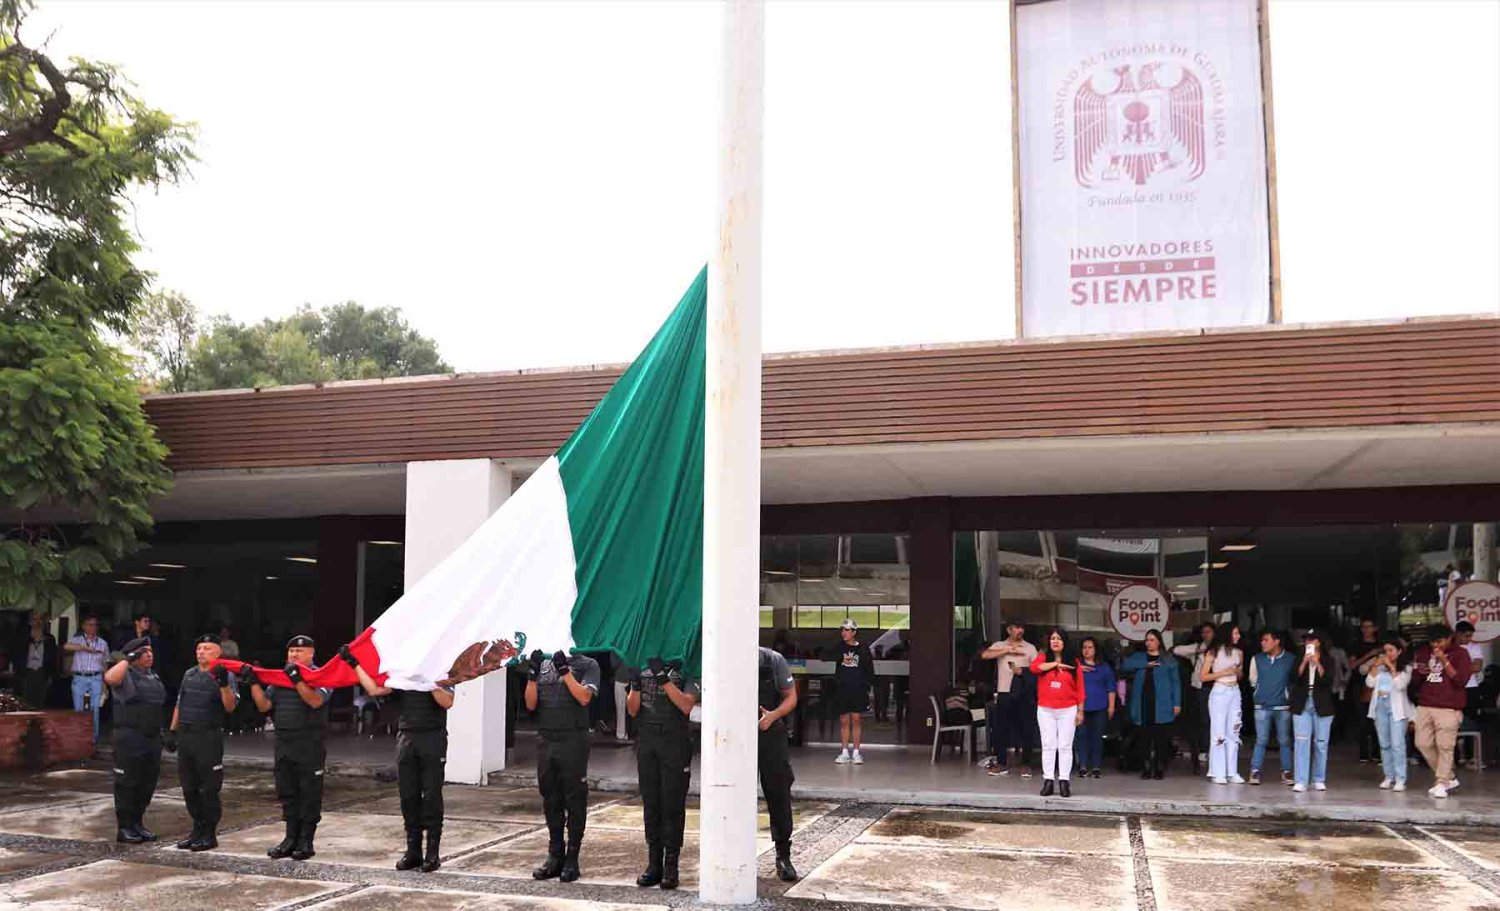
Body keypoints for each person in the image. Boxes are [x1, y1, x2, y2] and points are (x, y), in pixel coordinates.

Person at [342, 644, 454, 872]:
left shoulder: (442, 671)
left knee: (431, 795)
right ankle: (413, 851)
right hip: (406, 737)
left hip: (432, 737)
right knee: (408, 796)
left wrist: (429, 681)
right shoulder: (403, 675)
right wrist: (354, 664)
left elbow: (447, 702)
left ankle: (432, 853)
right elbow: (374, 689)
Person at [247, 634, 332, 861]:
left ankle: (306, 841)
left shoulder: (321, 675)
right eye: (291, 651)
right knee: (287, 791)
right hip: (284, 743)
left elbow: (315, 701)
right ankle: (289, 839)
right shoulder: (280, 678)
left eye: (299, 651)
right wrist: (253, 684)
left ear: (311, 654)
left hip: (309, 743)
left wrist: (297, 680)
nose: (294, 654)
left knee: (309, 792)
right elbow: (264, 705)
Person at [524, 648, 601, 883]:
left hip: (573, 739)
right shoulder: (544, 665)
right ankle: (555, 855)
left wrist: (566, 671)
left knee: (574, 798)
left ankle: (572, 858)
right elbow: (530, 704)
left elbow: (584, 697)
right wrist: (532, 675)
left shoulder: (588, 664)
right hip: (547, 738)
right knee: (550, 798)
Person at [624, 657, 698, 890]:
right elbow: (632, 710)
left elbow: (686, 705)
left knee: (673, 805)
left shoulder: (686, 667)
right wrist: (635, 685)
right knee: (651, 804)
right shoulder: (643, 667)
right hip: (647, 741)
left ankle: (671, 865)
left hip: (675, 741)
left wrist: (663, 678)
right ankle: (653, 863)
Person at [167, 634, 238, 851]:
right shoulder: (189, 674)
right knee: (189, 787)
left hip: (208, 736)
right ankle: (197, 829)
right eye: (199, 648)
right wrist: (172, 731)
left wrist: (223, 684)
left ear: (217, 652)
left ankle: (209, 833)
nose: (201, 652)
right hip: (187, 735)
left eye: (207, 648)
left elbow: (230, 706)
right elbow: (180, 703)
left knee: (208, 788)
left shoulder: (225, 674)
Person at [103, 637, 166, 843]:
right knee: (126, 783)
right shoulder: (125, 674)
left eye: (150, 651)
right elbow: (109, 678)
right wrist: (126, 660)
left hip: (151, 737)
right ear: (134, 656)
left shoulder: (153, 677)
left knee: (147, 783)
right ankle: (125, 827)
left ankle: (138, 823)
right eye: (144, 652)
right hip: (129, 737)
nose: (149, 655)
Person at [1412, 623, 1473, 798]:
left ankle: (1441, 781)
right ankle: (1449, 777)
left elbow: (1460, 680)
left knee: (1445, 745)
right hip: (1425, 703)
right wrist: (1420, 671)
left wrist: (1444, 660)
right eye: (1432, 642)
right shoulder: (1424, 652)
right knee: (1422, 743)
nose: (1435, 645)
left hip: (1449, 706)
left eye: (1439, 641)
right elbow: (1415, 679)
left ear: (1449, 638)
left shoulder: (1460, 654)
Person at [758, 645, 799, 883]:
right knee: (734, 796)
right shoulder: (724, 656)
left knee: (779, 793)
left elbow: (791, 696)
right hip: (738, 737)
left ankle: (783, 856)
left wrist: (773, 715)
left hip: (770, 732)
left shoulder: (773, 660)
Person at [1030, 628, 1085, 797]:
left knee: (1065, 746)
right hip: (1046, 709)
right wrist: (1055, 664)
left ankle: (1064, 781)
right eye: (1053, 638)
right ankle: (1048, 780)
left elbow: (1080, 689)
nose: (1055, 641)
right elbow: (1034, 668)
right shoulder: (1043, 658)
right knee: (1048, 745)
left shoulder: (1074, 663)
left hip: (1068, 709)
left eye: (1059, 638)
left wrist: (1080, 711)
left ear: (1065, 642)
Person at [980, 620, 1038, 777]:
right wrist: (1007, 650)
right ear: (1009, 630)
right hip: (1004, 692)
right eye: (1017, 628)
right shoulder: (1000, 645)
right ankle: (1001, 763)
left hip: (1023, 693)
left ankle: (1026, 764)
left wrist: (1022, 671)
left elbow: (1037, 670)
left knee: (1026, 729)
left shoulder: (1030, 648)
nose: (1020, 630)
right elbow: (985, 655)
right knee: (1001, 729)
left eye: (1022, 627)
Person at [1122, 630, 1181, 779]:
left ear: (1159, 641)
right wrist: (1145, 665)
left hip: (1162, 703)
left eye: (1152, 640)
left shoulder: (1168, 659)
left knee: (1160, 737)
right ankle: (1146, 767)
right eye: (1147, 640)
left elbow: (1176, 683)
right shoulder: (1139, 657)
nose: (1149, 643)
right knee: (1144, 737)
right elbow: (1125, 665)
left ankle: (1159, 767)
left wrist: (1177, 703)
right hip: (1143, 702)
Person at [1290, 630, 1337, 793]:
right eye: (1306, 640)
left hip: (1322, 703)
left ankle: (1318, 778)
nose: (1308, 642)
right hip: (1302, 702)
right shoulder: (1298, 657)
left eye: (1311, 639)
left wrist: (1317, 663)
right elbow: (1293, 678)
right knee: (1301, 741)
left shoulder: (1328, 659)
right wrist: (1304, 661)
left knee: (1321, 743)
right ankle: (1301, 780)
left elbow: (1328, 680)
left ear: (1319, 642)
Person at [1366, 633, 1412, 791]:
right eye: (1385, 651)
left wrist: (1392, 668)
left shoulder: (1406, 668)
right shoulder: (1380, 667)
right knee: (1384, 744)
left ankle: (1400, 778)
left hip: (1396, 709)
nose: (1388, 654)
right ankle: (1388, 776)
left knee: (1397, 744)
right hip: (1380, 706)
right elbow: (1369, 682)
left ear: (1399, 651)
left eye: (1391, 650)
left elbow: (1400, 685)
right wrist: (1375, 666)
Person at [1249, 629, 1295, 786]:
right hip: (1262, 705)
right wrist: (1259, 692)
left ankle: (1286, 771)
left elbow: (1294, 680)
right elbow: (1253, 680)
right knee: (1261, 739)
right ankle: (1255, 770)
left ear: (1277, 641)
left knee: (1284, 740)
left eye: (1266, 640)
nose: (1262, 643)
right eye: (1262, 640)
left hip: (1283, 705)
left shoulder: (1290, 659)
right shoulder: (1257, 659)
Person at [1202, 623, 1245, 785]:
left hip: (1234, 691)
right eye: (1235, 633)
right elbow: (1203, 676)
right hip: (1219, 690)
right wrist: (1224, 672)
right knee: (1218, 731)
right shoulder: (1213, 652)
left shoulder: (1239, 652)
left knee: (1234, 730)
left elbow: (1240, 675)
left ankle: (1232, 771)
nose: (1238, 636)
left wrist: (1237, 672)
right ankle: (1217, 772)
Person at [1171, 622, 1216, 770]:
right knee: (1204, 720)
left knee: (1216, 720)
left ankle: (1215, 749)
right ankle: (1205, 749)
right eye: (1204, 632)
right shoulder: (1198, 648)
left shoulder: (1221, 648)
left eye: (1209, 632)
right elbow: (1175, 650)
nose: (1206, 635)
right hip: (1202, 687)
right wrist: (1199, 649)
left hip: (1219, 687)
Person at [833, 619, 874, 765]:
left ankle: (856, 752)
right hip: (843, 689)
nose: (844, 633)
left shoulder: (863, 649)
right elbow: (826, 655)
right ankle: (844, 751)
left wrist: (866, 687)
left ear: (854, 632)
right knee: (844, 720)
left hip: (858, 690)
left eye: (847, 630)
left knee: (856, 719)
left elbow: (869, 670)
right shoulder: (839, 648)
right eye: (842, 630)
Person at [64, 616, 111, 742]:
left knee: (95, 709)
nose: (92, 627)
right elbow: (66, 646)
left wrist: (105, 684)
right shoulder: (77, 639)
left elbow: (105, 663)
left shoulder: (102, 643)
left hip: (96, 677)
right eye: (89, 624)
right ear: (83, 626)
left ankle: (93, 738)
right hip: (80, 677)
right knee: (78, 708)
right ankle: (79, 737)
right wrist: (84, 648)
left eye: (95, 625)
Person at [1076, 636, 1116, 779]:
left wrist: (1111, 706)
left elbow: (1111, 688)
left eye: (1090, 647)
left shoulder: (1104, 667)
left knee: (1097, 737)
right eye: (1084, 647)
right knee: (1081, 737)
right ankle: (1083, 766)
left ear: (1096, 649)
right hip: (1081, 708)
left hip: (1100, 707)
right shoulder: (1076, 666)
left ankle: (1096, 766)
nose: (1086, 650)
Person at [1348, 619, 1383, 764]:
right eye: (1364, 627)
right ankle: (1363, 753)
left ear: (1375, 628)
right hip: (1360, 684)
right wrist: (1369, 655)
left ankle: (1376, 753)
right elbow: (1352, 665)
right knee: (1362, 719)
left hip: (1378, 685)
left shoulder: (1381, 645)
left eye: (1369, 626)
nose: (1366, 629)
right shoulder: (1355, 645)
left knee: (1377, 718)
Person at [18, 613, 57, 710]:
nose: (38, 622)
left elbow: (52, 658)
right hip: (27, 672)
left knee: (40, 701)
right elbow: (17, 654)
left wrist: (50, 675)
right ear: (30, 622)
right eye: (35, 619)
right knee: (25, 702)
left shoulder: (50, 639)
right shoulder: (23, 637)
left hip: (42, 672)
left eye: (40, 620)